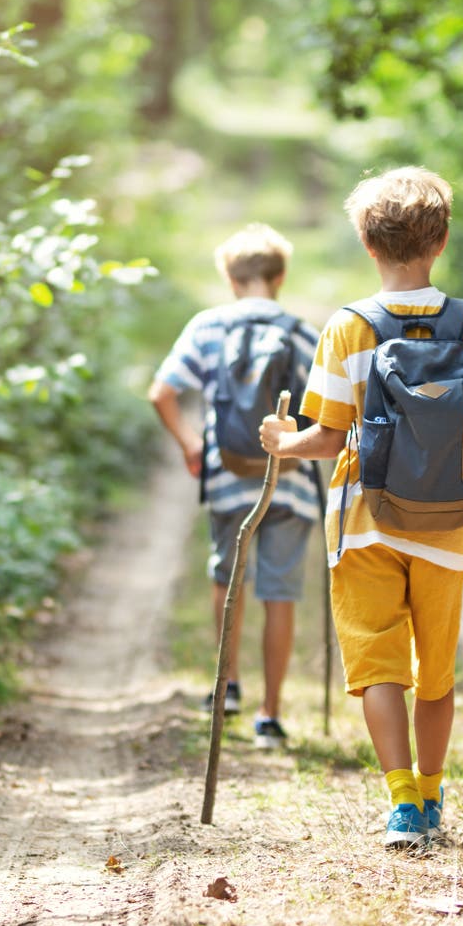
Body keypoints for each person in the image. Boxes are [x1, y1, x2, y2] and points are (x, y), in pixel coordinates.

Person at [259, 166, 463, 849]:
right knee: (436, 671)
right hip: (448, 526)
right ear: (441, 241)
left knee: (379, 664)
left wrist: (282, 443)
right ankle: (433, 793)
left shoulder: (348, 327)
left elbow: (326, 437)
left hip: (364, 522)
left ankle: (402, 801)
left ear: (368, 245)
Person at [149, 223, 321, 751]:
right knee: (280, 592)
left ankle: (226, 687)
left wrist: (190, 445)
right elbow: (331, 409)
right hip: (289, 480)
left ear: (230, 279)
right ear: (280, 277)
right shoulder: (302, 332)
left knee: (228, 578)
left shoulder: (207, 328)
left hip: (226, 477)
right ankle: (270, 715)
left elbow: (161, 393)